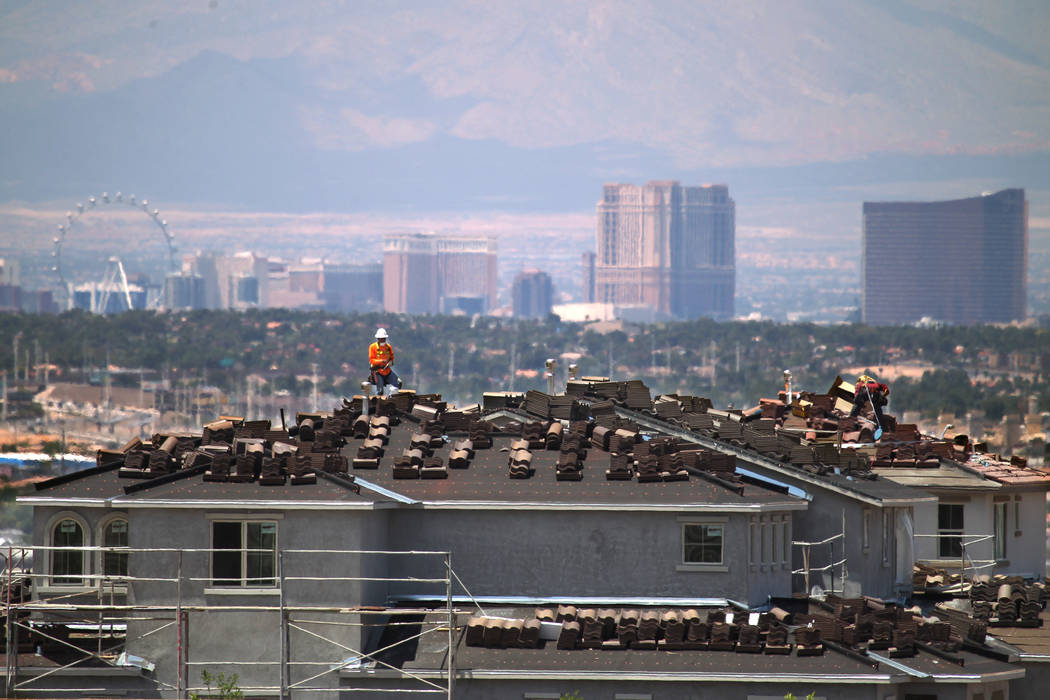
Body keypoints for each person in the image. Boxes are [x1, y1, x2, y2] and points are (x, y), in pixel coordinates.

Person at [368, 328, 402, 396]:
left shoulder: (388, 347)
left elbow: (392, 358)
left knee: (398, 383)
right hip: (378, 372)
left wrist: (391, 362)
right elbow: (372, 360)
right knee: (380, 392)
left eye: (384, 338)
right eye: (381, 338)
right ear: (378, 338)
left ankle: (391, 399)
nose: (383, 340)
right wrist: (381, 361)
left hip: (387, 371)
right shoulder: (373, 347)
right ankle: (378, 404)